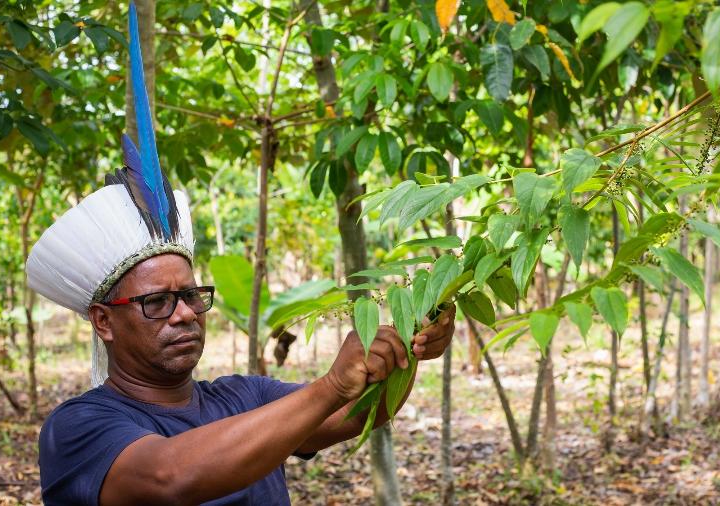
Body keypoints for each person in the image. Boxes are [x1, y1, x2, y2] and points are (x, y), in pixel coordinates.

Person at [25, 4, 456, 504]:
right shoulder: (79, 426)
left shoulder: (241, 398)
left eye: (190, 295)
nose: (185, 313)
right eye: (157, 302)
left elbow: (358, 413)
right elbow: (170, 477)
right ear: (103, 321)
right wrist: (329, 385)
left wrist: (409, 349)